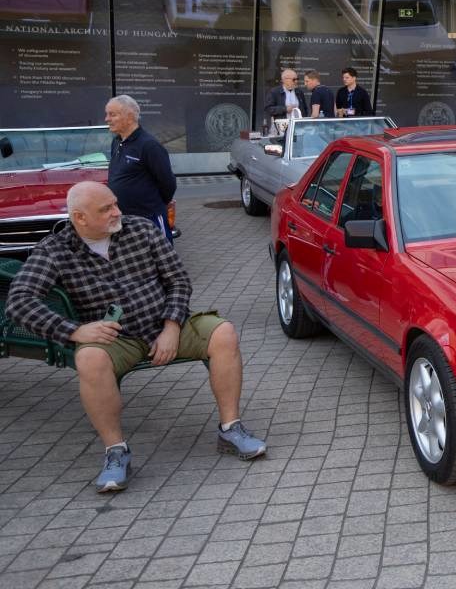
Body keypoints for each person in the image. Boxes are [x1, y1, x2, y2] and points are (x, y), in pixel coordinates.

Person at [6, 181, 266, 493]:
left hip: (164, 323)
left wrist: (172, 326)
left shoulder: (141, 229)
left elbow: (178, 280)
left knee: (223, 333)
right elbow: (19, 301)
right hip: (117, 339)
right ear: (80, 218)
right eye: (106, 209)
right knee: (89, 358)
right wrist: (74, 330)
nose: (117, 212)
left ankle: (230, 429)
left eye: (115, 204)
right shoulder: (55, 250)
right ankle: (116, 451)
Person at [105, 95, 176, 242]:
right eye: (107, 114)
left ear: (130, 117)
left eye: (112, 114)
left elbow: (168, 183)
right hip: (122, 217)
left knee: (158, 254)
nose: (107, 119)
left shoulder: (149, 145)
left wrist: (155, 206)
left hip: (148, 219)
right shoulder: (116, 142)